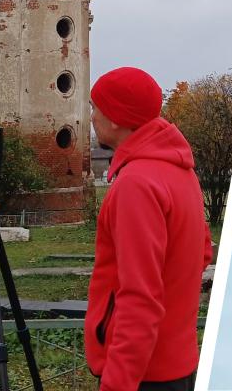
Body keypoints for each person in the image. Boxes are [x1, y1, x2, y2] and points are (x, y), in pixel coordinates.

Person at [85, 66, 213, 391]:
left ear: (115, 117)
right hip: (178, 366)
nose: (90, 117)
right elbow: (202, 253)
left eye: (94, 107)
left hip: (143, 375)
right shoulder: (181, 171)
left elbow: (140, 297)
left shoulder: (137, 184)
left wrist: (117, 384)